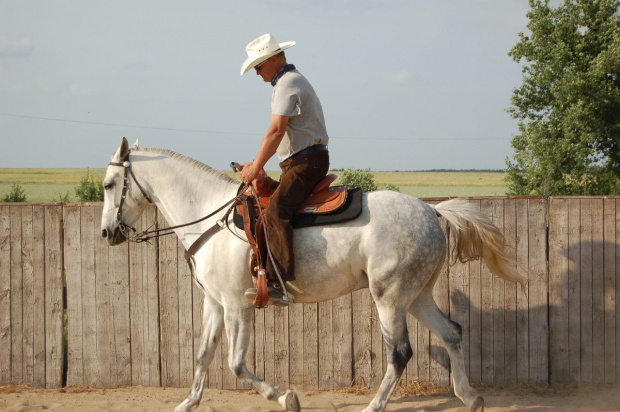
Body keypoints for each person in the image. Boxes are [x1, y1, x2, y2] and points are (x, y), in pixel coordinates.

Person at [239, 33, 330, 304]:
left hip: (306, 163)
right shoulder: (288, 83)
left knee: (276, 213)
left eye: (258, 66)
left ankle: (280, 284)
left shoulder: (289, 84)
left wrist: (256, 167)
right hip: (299, 162)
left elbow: (276, 130)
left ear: (275, 59)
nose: (257, 73)